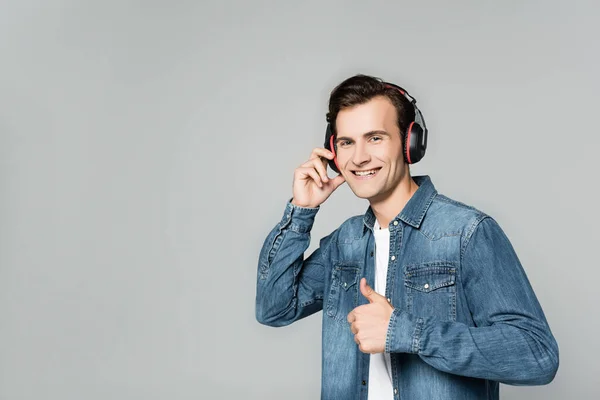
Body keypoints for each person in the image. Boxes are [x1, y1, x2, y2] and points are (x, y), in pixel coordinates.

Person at [255, 74, 559, 400]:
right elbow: (275, 309)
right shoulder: (345, 243)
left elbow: (537, 354)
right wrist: (301, 211)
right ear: (333, 152)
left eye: (374, 138)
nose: (358, 158)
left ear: (408, 144)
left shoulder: (466, 233)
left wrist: (406, 332)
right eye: (346, 142)